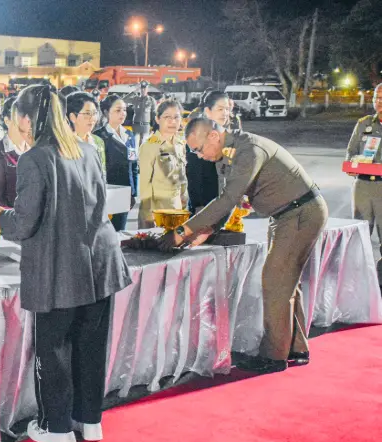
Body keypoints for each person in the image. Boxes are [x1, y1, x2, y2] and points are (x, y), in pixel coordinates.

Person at [0, 85, 131, 442]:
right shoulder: (86, 149)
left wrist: (0, 217)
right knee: (90, 346)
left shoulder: (35, 158)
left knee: (54, 349)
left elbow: (24, 222)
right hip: (99, 264)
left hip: (60, 270)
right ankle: (89, 420)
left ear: (25, 119)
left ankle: (57, 427)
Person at [159, 117, 328, 374]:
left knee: (275, 281)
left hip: (299, 213)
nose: (200, 156)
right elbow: (228, 199)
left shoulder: (248, 150)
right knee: (285, 282)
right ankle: (295, 347)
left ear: (213, 136)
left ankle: (273, 357)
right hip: (284, 214)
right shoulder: (226, 154)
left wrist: (181, 232)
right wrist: (210, 230)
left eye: (199, 149)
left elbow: (228, 199)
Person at [345, 82, 382, 282]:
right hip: (362, 186)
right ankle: (359, 281)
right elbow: (351, 152)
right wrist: (353, 164)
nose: (379, 102)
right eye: (377, 98)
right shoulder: (364, 124)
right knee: (360, 234)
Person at [137, 100, 188, 229]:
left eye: (176, 117)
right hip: (157, 212)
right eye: (167, 117)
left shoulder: (180, 144)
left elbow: (182, 177)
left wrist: (184, 199)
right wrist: (147, 215)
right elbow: (145, 184)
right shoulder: (150, 145)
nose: (173, 121)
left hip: (177, 208)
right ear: (157, 119)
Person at [95, 94, 137, 230]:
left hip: (125, 191)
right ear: (106, 112)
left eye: (124, 110)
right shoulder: (99, 136)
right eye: (118, 110)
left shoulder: (129, 135)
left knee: (120, 231)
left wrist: (133, 192)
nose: (123, 113)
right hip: (108, 191)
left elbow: (133, 165)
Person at [186, 90, 231, 214]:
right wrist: (198, 206)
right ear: (208, 111)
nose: (225, 113)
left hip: (224, 203)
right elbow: (194, 175)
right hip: (205, 205)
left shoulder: (227, 134)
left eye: (227, 109)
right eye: (220, 109)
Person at [0, 96, 31, 207]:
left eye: (29, 116)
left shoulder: (35, 150)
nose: (27, 121)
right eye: (21, 116)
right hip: (9, 215)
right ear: (7, 121)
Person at [66, 91, 106, 179]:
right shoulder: (64, 143)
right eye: (87, 113)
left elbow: (102, 174)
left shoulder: (98, 142)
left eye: (95, 113)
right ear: (72, 117)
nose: (92, 118)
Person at [131, 81, 157, 148]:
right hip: (136, 126)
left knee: (144, 145)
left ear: (147, 89)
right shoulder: (135, 99)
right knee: (135, 145)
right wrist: (133, 91)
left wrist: (154, 127)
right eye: (141, 88)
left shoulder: (151, 100)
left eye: (145, 88)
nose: (143, 90)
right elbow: (123, 100)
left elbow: (154, 114)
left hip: (146, 126)